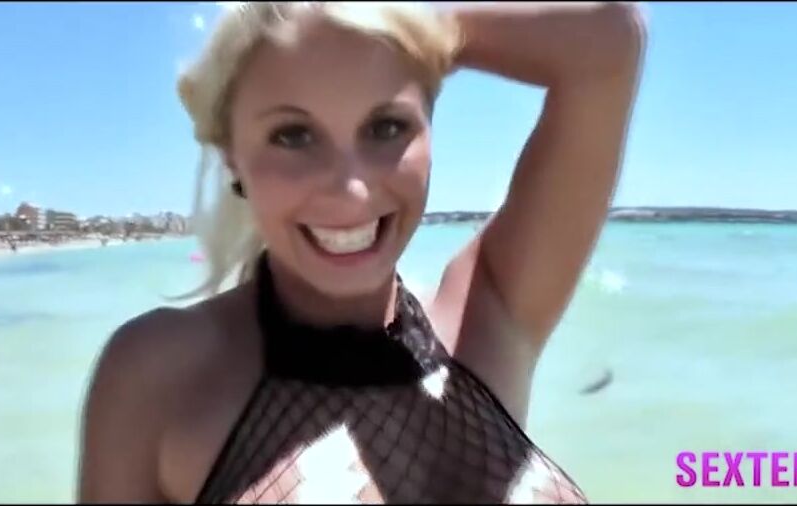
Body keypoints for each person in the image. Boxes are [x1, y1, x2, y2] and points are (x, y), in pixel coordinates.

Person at [79, 3, 645, 504]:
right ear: (233, 156)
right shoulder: (158, 375)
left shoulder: (485, 313)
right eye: (293, 135)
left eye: (386, 126)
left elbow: (611, 37)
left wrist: (423, 33)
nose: (351, 191)